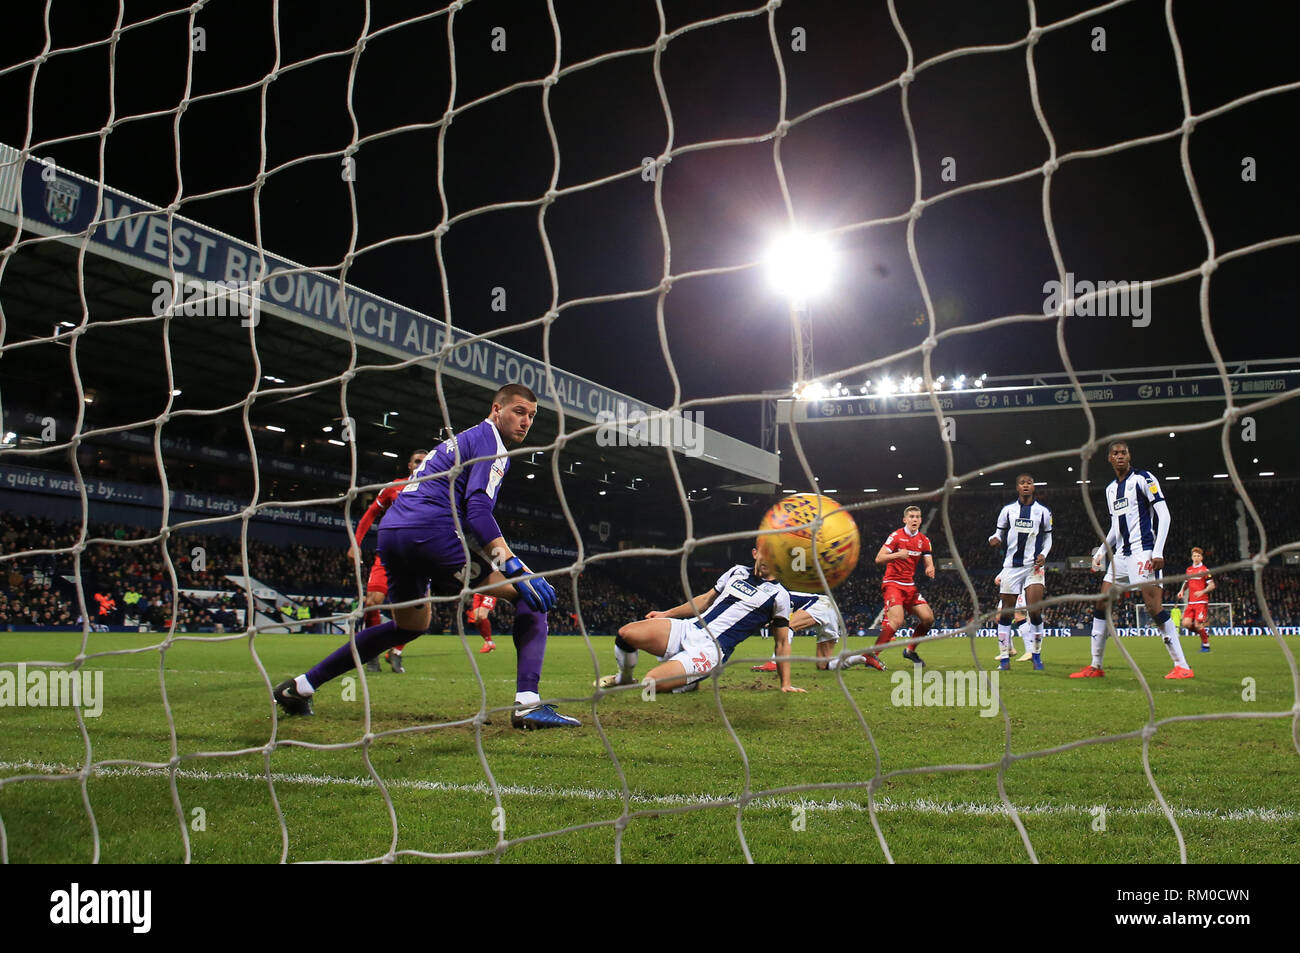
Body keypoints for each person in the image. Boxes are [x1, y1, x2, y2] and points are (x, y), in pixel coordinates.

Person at [273, 384, 579, 728]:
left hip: (394, 535)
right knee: (531, 598)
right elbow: (477, 512)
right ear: (496, 409)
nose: (525, 422)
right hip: (433, 534)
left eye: (532, 416)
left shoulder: (462, 441)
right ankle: (528, 704)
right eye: (519, 412)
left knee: (411, 624)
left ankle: (299, 688)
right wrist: (511, 564)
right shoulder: (490, 443)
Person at [596, 547, 803, 694]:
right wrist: (666, 613)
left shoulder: (780, 595)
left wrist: (785, 683)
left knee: (650, 684)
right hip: (689, 628)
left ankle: (688, 682)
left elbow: (782, 641)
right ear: (755, 553)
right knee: (626, 634)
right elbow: (704, 600)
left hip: (712, 649)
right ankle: (623, 678)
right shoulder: (736, 571)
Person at [1071, 441, 1193, 680]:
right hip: (1121, 556)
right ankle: (1096, 666)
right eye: (1115, 453)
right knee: (1101, 602)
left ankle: (1182, 666)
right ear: (1109, 458)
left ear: (1129, 456)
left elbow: (1164, 515)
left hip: (1143, 552)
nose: (1120, 456)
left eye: (1123, 453)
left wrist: (1158, 551)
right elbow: (1116, 526)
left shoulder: (1144, 479)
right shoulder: (1110, 490)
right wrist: (1101, 552)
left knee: (1153, 607)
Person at [347, 450, 427, 674]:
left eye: (425, 461)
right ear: (410, 465)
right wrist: (356, 543)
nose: (421, 465)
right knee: (373, 602)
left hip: (418, 557)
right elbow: (371, 513)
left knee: (414, 614)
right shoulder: (394, 486)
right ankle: (371, 653)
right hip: (389, 553)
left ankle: (396, 652)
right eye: (417, 461)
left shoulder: (437, 488)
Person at [989, 473, 1052, 670]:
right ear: (1017, 487)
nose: (1026, 486)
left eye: (1029, 483)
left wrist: (1043, 554)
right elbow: (997, 533)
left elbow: (1049, 538)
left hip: (1033, 567)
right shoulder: (1007, 511)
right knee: (1006, 614)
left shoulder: (1043, 512)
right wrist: (993, 539)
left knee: (1034, 610)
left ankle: (1036, 656)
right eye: (1022, 483)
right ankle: (1004, 659)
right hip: (1011, 567)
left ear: (1034, 487)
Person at [751, 590, 844, 673]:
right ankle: (857, 658)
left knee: (787, 627)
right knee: (823, 665)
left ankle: (774, 662)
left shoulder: (773, 598)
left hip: (821, 604)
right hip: (830, 608)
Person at [1176, 547, 1215, 653]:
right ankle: (1203, 633)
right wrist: (1181, 591)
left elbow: (1212, 585)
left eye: (1198, 556)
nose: (1196, 558)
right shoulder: (1189, 570)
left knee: (1198, 625)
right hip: (1191, 602)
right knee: (1186, 624)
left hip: (1201, 602)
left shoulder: (1205, 570)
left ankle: (1206, 645)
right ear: (1191, 557)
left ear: (1201, 557)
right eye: (1194, 556)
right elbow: (1186, 582)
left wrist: (1202, 592)